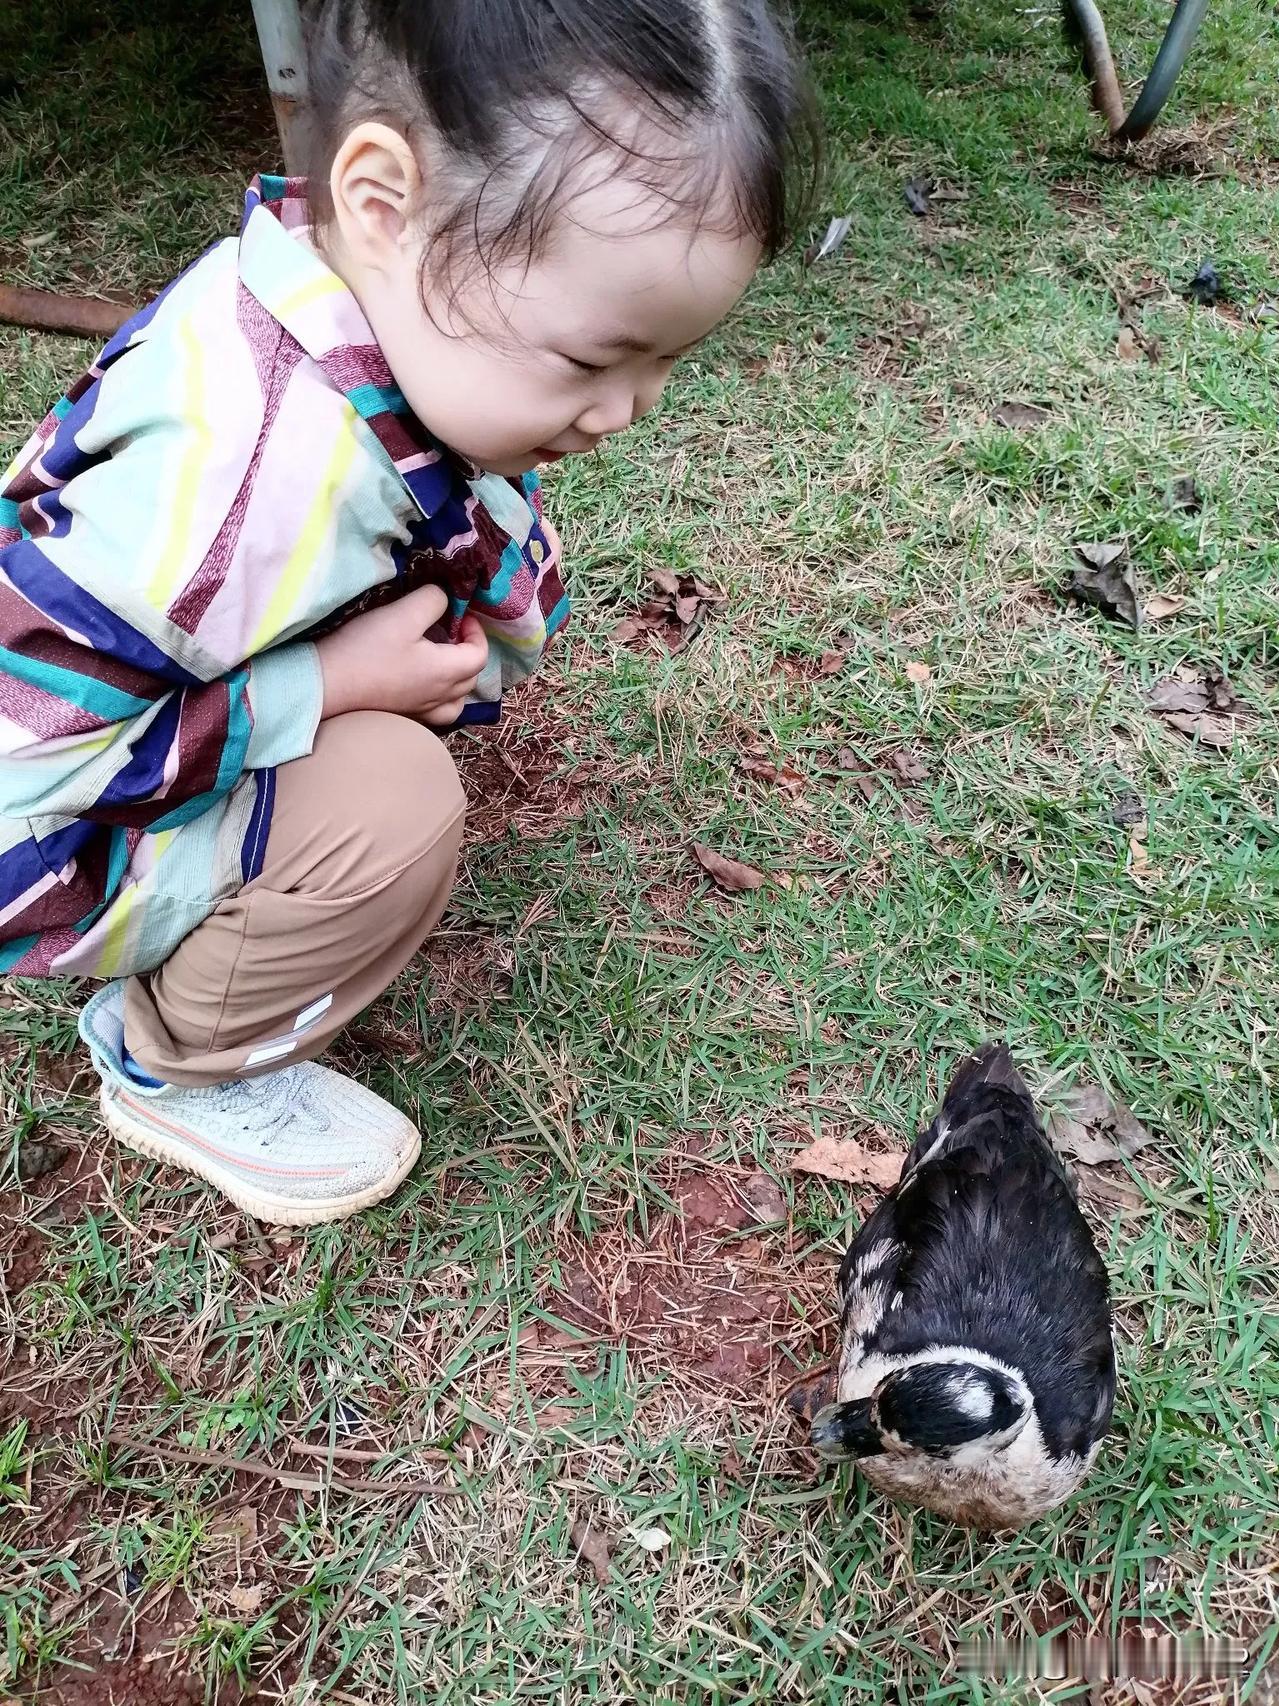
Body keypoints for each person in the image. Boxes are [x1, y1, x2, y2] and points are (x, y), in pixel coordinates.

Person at [0, 0, 815, 1225]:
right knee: (393, 806)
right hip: (35, 830)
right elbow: (20, 765)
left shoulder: (350, 300)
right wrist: (323, 688)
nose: (627, 410)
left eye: (665, 363)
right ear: (381, 199)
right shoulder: (255, 483)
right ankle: (177, 1061)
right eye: (593, 359)